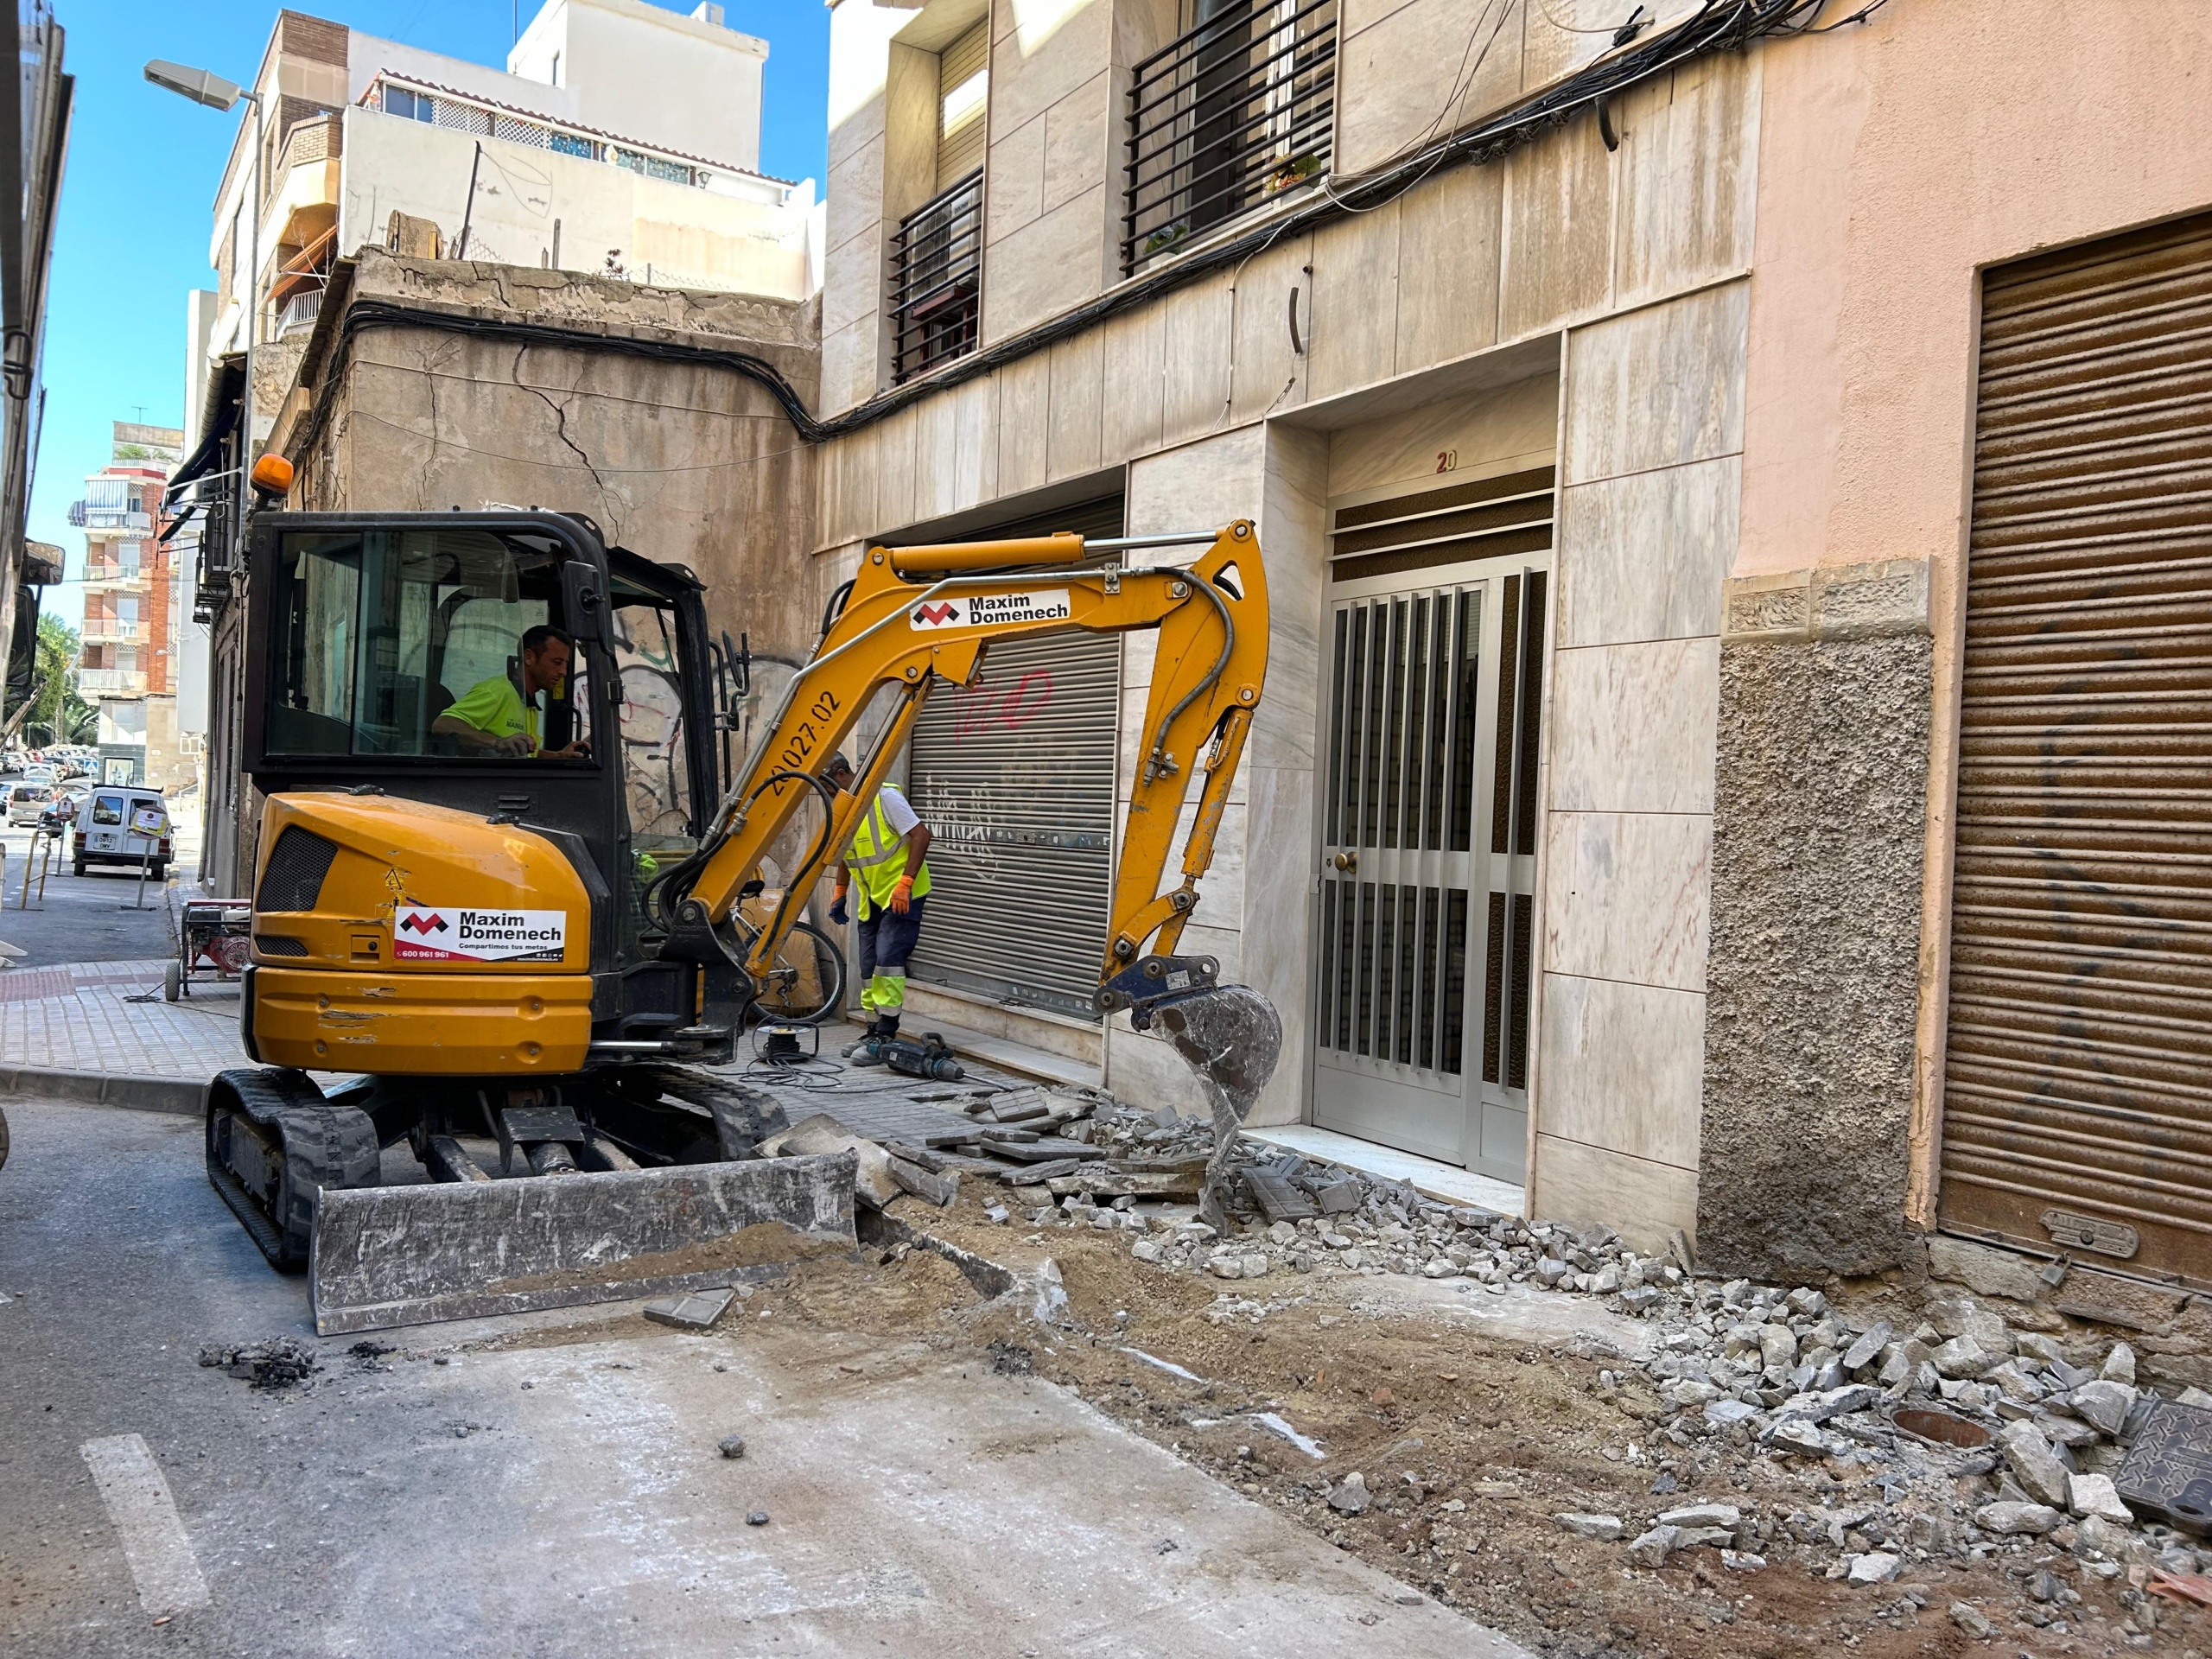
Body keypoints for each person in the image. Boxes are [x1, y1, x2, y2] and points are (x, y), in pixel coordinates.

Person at [822, 752, 932, 1065]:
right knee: (868, 964)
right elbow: (846, 851)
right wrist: (840, 891)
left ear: (843, 774)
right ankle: (872, 1031)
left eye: (828, 787)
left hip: (901, 894)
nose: (827, 795)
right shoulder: (843, 807)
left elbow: (922, 835)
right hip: (872, 897)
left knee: (888, 960)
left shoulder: (884, 798)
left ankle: (886, 1032)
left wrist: (906, 883)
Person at [433, 624, 588, 759]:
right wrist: (498, 742)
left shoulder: (529, 704)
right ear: (529, 657)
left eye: (565, 664)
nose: (563, 672)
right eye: (557, 663)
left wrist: (558, 756)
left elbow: (523, 754)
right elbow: (442, 725)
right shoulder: (497, 691)